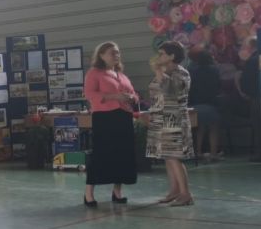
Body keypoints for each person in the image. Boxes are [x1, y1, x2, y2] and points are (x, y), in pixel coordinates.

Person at [81, 41, 139, 207]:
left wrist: (132, 98)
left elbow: (134, 94)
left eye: (118, 52)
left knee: (122, 154)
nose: (116, 55)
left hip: (124, 117)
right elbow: (89, 94)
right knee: (101, 154)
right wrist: (114, 97)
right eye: (112, 53)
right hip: (104, 118)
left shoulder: (122, 75)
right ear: (101, 55)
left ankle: (117, 192)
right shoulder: (94, 73)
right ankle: (89, 194)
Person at [146, 41, 194, 206]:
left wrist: (158, 72)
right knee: (167, 157)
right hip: (161, 118)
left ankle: (186, 194)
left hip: (174, 119)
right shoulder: (164, 72)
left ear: (172, 56)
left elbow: (171, 91)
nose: (158, 57)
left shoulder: (181, 73)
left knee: (174, 157)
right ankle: (174, 191)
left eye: (162, 54)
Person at [187, 49, 223, 162]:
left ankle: (198, 152)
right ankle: (213, 154)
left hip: (195, 104)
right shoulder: (215, 70)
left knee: (200, 129)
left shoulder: (192, 71)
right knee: (213, 128)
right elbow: (219, 85)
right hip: (210, 104)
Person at [236, 36, 261, 162]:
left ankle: (260, 154)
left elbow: (246, 81)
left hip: (256, 98)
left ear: (251, 46)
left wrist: (246, 93)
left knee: (258, 127)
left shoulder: (252, 61)